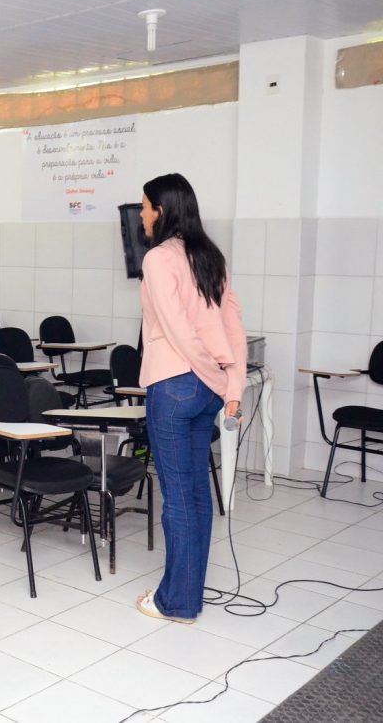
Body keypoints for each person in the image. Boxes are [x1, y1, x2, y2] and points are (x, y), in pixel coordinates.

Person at [135, 172, 246, 625]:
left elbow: (179, 331)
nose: (141, 215)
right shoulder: (210, 256)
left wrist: (215, 379)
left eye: (144, 207)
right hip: (206, 392)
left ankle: (176, 603)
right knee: (198, 495)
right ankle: (187, 594)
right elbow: (233, 326)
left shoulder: (159, 258)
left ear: (161, 210)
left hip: (175, 386)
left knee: (179, 500)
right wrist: (230, 387)